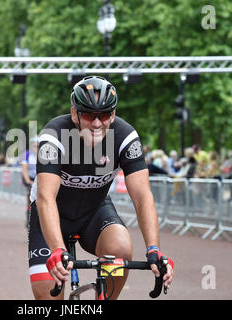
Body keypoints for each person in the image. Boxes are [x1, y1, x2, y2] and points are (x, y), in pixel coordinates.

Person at [28, 76, 174, 300]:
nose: (97, 123)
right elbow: (46, 197)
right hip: (51, 214)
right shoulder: (55, 134)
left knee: (121, 248)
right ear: (75, 113)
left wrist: (153, 249)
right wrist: (58, 248)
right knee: (48, 298)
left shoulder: (125, 136)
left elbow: (143, 197)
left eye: (104, 114)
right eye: (88, 115)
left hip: (93, 211)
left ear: (113, 114)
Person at [21, 136, 38, 229]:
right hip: (30, 177)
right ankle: (29, 218)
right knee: (30, 197)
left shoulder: (43, 154)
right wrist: (28, 181)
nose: (36, 148)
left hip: (39, 178)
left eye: (38, 146)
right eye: (35, 146)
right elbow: (24, 170)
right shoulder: (27, 154)